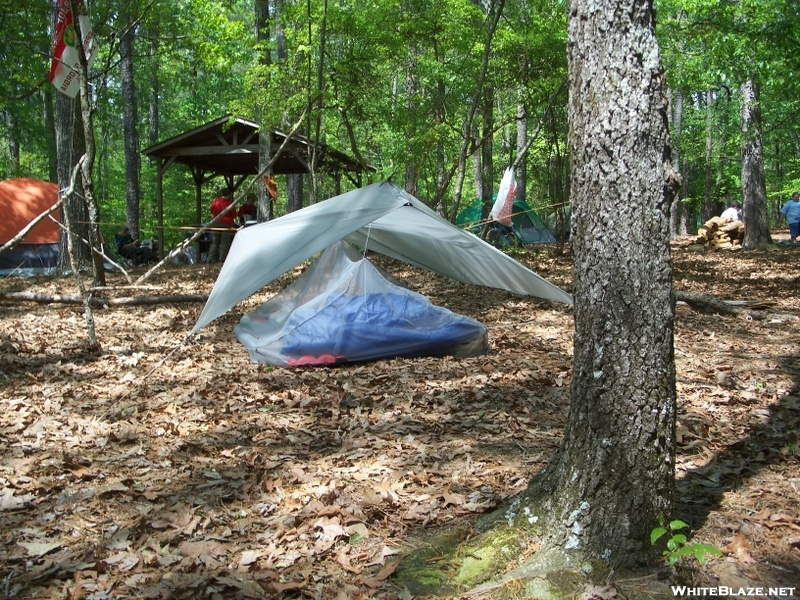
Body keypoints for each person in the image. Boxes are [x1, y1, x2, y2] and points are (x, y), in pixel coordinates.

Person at [207, 187, 236, 262]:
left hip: (216, 223)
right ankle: (222, 260)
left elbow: (211, 210)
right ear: (229, 195)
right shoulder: (229, 204)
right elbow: (234, 215)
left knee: (215, 242)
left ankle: (211, 258)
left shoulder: (215, 202)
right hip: (226, 224)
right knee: (224, 243)